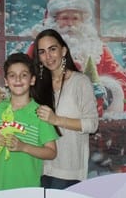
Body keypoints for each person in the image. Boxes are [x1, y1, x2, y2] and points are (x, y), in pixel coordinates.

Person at [31, 0, 126, 112]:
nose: (70, 24)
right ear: (54, 20)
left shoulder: (97, 48)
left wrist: (104, 89)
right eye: (65, 18)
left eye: (75, 18)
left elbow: (119, 79)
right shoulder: (39, 47)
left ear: (83, 21)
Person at [32, 29, 99, 189]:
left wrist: (56, 120)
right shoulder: (37, 84)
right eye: (42, 52)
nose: (48, 56)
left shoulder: (80, 82)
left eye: (52, 49)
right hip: (36, 167)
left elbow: (92, 124)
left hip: (66, 171)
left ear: (63, 50)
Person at [0, 53, 58, 191]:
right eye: (12, 75)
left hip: (25, 189)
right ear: (6, 81)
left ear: (32, 80)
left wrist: (23, 147)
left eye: (23, 75)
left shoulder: (40, 113)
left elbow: (51, 152)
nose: (17, 79)